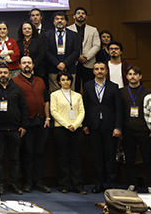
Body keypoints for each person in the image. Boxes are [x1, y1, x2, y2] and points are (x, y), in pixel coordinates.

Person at [12, 56, 51, 193]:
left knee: (39, 153)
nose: (27, 65)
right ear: (20, 65)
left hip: (41, 121)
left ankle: (38, 181)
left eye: (29, 62)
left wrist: (48, 117)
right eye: (24, 63)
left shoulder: (40, 80)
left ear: (33, 65)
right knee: (27, 153)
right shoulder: (14, 81)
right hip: (26, 123)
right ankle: (27, 182)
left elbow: (46, 100)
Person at [83, 61, 122, 193]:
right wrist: (85, 124)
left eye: (101, 69)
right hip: (94, 125)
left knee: (110, 155)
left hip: (110, 126)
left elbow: (119, 108)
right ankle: (98, 183)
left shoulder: (114, 87)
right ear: (93, 71)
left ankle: (112, 183)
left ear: (106, 71)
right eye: (96, 69)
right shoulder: (87, 86)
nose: (99, 71)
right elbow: (86, 106)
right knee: (97, 156)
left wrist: (118, 127)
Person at [0, 65, 27, 195]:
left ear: (9, 75)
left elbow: (23, 107)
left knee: (14, 158)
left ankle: (12, 184)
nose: (3, 75)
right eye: (0, 72)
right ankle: (0, 184)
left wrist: (24, 125)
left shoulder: (16, 88)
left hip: (15, 129)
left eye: (5, 72)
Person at [50, 71, 86, 194]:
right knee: (62, 157)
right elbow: (54, 111)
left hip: (77, 129)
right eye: (63, 80)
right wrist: (67, 125)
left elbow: (82, 112)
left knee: (76, 157)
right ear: (59, 82)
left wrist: (75, 125)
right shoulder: (54, 95)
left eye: (68, 79)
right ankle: (64, 185)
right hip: (61, 129)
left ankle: (78, 185)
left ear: (71, 81)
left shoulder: (77, 96)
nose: (66, 82)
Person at [120, 66, 151, 192]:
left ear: (140, 76)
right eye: (130, 74)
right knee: (129, 159)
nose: (132, 76)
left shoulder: (147, 92)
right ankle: (132, 184)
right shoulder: (121, 92)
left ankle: (149, 184)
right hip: (128, 130)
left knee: (147, 159)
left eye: (135, 74)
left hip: (144, 131)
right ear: (126, 76)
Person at [42, 11, 81, 92]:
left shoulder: (74, 35)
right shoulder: (47, 35)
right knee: (55, 94)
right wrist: (57, 64)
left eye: (62, 19)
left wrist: (65, 63)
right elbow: (46, 51)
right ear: (53, 22)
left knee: (70, 93)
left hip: (70, 68)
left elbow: (76, 51)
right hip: (53, 69)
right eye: (57, 19)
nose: (59, 20)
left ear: (66, 21)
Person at [68, 7, 101, 88]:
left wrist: (86, 57)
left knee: (89, 87)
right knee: (75, 87)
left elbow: (97, 45)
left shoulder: (93, 30)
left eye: (83, 13)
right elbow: (67, 46)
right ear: (74, 16)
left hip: (89, 62)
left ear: (86, 17)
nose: (81, 15)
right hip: (73, 63)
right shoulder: (68, 29)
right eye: (78, 13)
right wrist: (77, 56)